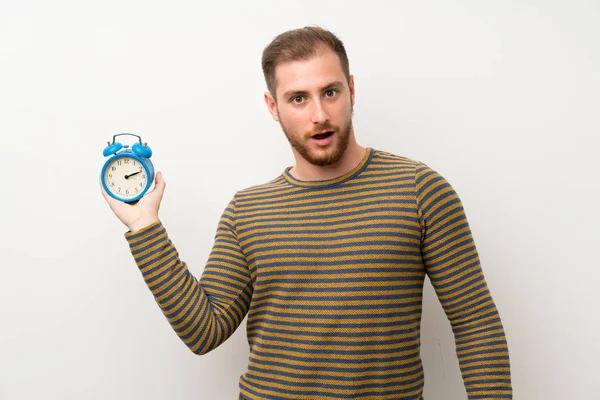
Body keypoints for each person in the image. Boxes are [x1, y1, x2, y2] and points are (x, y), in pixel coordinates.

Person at [101, 26, 513, 400]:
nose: (319, 115)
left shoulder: (420, 191)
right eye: (298, 98)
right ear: (273, 106)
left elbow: (477, 325)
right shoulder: (247, 211)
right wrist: (144, 226)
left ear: (351, 89)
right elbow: (204, 330)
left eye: (330, 92)